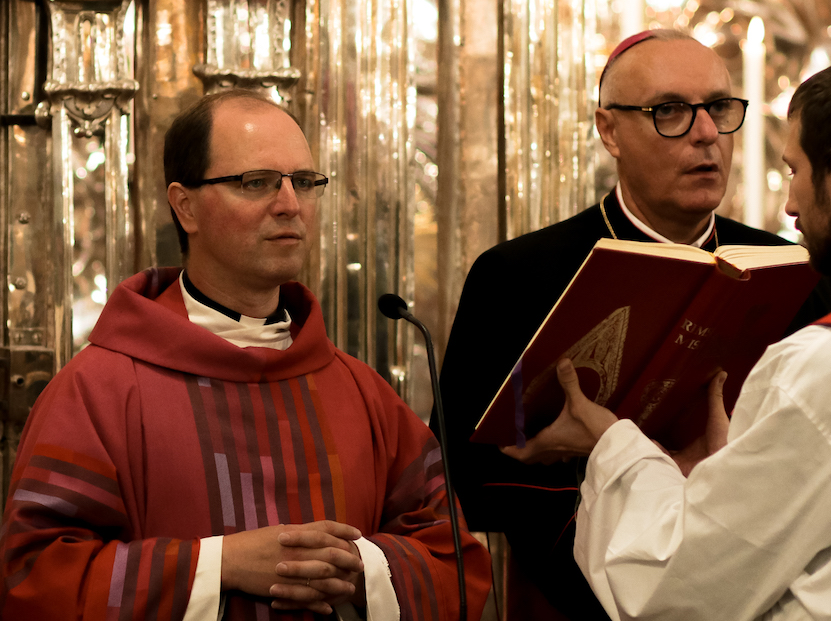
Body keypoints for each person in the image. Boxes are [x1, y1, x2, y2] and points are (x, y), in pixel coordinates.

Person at [505, 51, 831, 620]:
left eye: (794, 171)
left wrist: (614, 443)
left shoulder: (824, 363)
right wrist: (737, 461)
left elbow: (677, 587)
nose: (789, 205)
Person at [0, 89, 492, 621]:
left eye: (303, 183)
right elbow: (34, 576)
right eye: (255, 182)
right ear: (185, 206)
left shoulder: (360, 391)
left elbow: (455, 562)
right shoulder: (100, 388)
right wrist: (218, 565)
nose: (289, 204)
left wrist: (359, 565)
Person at [434, 29, 831, 619]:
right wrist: (563, 455)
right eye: (671, 111)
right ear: (610, 132)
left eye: (720, 108)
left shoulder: (798, 275)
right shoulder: (515, 277)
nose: (706, 133)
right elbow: (457, 476)